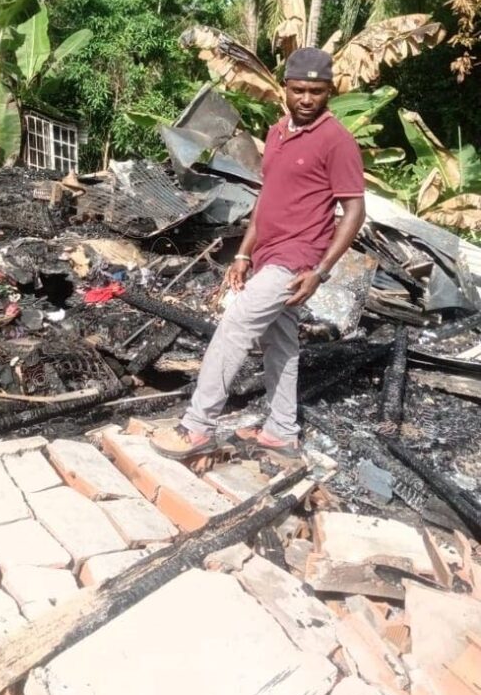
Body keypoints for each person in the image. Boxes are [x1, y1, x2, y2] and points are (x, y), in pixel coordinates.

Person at [151, 47, 366, 461]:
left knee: (234, 326)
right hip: (267, 254)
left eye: (316, 91)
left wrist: (320, 271)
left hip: (297, 257)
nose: (306, 99)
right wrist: (243, 254)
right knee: (280, 343)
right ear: (284, 88)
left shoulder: (337, 141)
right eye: (299, 89)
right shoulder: (276, 133)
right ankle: (282, 431)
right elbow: (267, 199)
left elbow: (354, 210)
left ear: (329, 91)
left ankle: (196, 427)